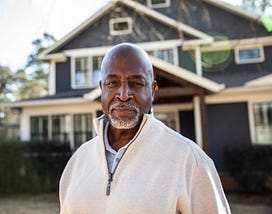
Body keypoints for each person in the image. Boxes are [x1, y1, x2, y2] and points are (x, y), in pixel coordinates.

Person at [59, 43, 231, 213]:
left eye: (136, 83)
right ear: (102, 88)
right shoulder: (77, 162)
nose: (124, 94)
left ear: (153, 90)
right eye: (112, 83)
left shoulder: (190, 161)